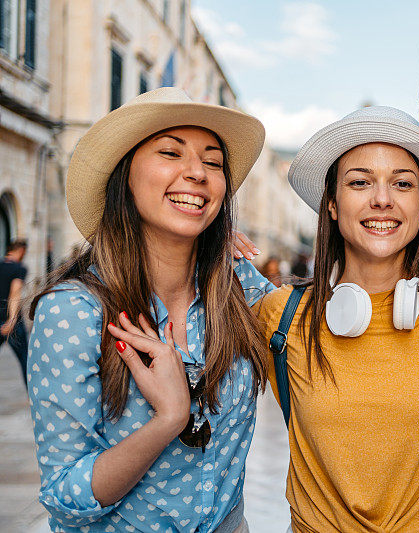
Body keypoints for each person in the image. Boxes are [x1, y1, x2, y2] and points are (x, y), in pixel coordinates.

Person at [27, 87, 273, 532]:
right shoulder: (75, 311)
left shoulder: (240, 287)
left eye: (213, 162)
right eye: (170, 153)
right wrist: (169, 419)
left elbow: (321, 327)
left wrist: (413, 273)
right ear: (126, 176)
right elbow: (65, 497)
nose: (196, 172)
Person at [256, 106, 419, 532]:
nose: (382, 199)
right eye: (360, 182)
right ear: (332, 205)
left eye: (403, 184)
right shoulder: (281, 314)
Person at [0, 239, 29, 387]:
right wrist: (11, 319)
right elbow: (15, 293)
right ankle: (32, 394)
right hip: (10, 320)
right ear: (21, 251)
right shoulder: (19, 268)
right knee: (25, 359)